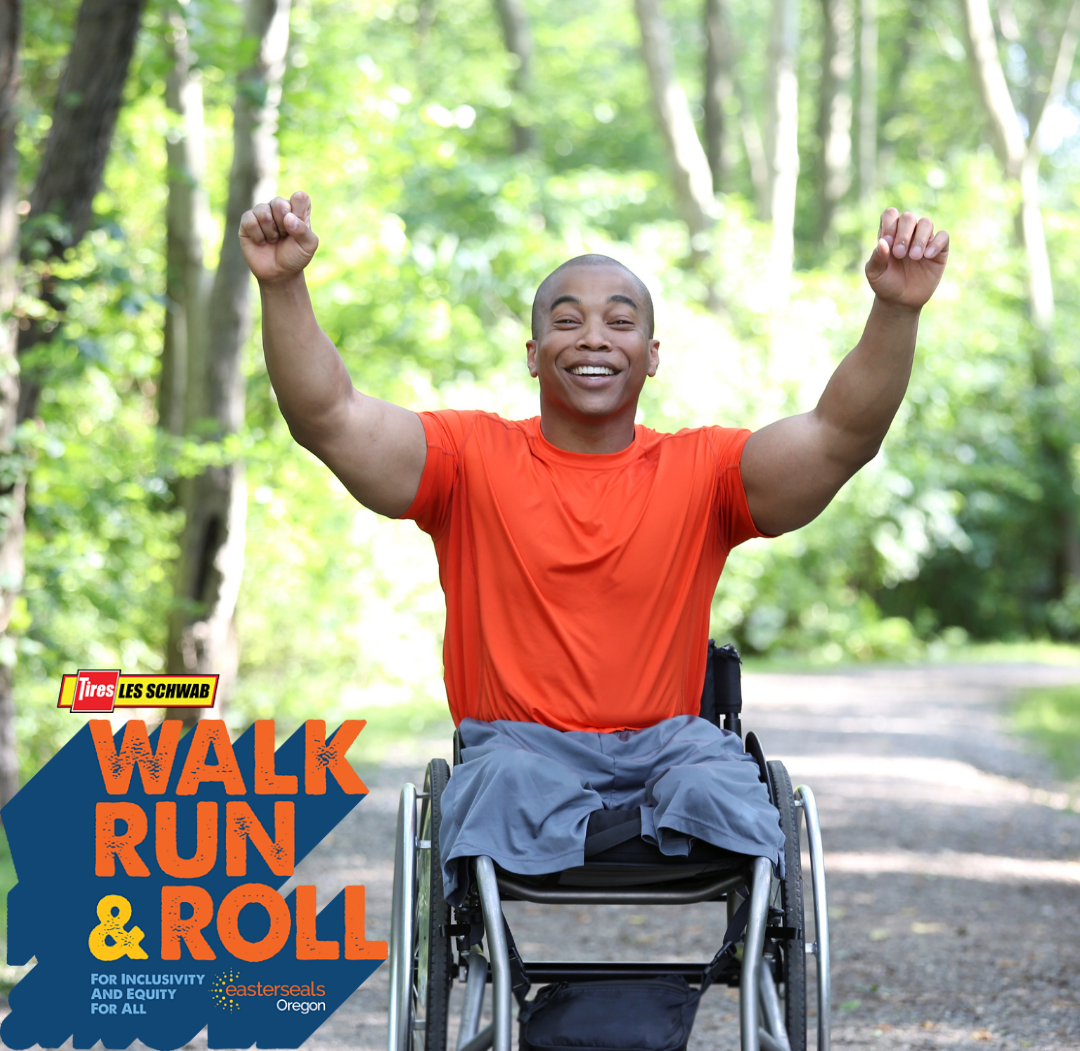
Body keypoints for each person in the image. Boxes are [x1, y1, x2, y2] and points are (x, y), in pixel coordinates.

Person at [239, 192, 949, 901]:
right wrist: (282, 284)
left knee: (729, 792)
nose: (593, 337)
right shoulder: (467, 456)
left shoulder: (706, 472)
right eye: (567, 320)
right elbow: (331, 418)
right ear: (533, 353)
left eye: (620, 320)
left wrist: (896, 310)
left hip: (673, 746)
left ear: (651, 356)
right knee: (498, 789)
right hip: (516, 748)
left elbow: (839, 438)